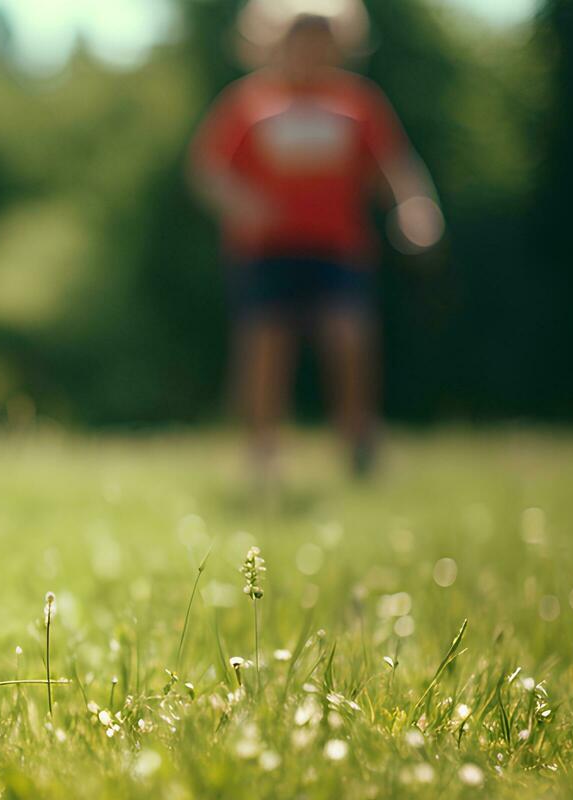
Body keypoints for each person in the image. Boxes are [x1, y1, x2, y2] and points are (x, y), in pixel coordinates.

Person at [187, 0, 442, 483]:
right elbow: (207, 169)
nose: (309, 51)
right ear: (274, 43)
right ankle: (262, 454)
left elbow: (395, 167)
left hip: (338, 248)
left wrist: (416, 208)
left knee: (348, 339)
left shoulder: (357, 103)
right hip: (263, 250)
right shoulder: (250, 102)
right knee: (265, 347)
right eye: (299, 40)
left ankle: (359, 440)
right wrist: (242, 203)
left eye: (321, 41)